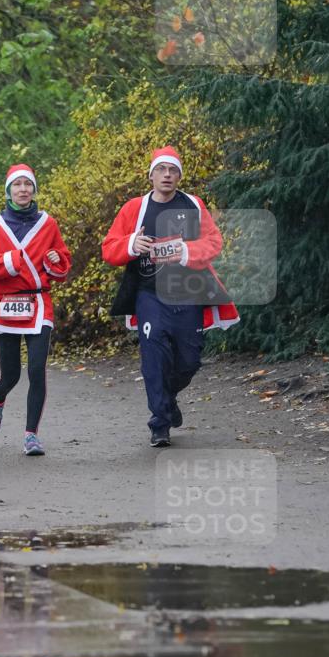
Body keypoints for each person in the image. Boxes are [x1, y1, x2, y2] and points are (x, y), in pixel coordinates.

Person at [102, 146, 239, 447]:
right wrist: (130, 244)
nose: (167, 175)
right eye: (161, 170)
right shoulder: (133, 209)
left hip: (188, 292)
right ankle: (159, 423)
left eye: (173, 170)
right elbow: (109, 248)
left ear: (179, 175)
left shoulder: (192, 204)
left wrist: (186, 251)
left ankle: (168, 397)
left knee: (189, 360)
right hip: (148, 294)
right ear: (151, 175)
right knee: (154, 356)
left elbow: (214, 242)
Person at [0, 163, 72, 457]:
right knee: (11, 375)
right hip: (5, 305)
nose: (23, 189)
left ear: (34, 190)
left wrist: (55, 260)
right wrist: (9, 262)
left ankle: (31, 435)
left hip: (38, 304)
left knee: (37, 370)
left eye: (28, 184)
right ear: (8, 190)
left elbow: (63, 263)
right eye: (18, 184)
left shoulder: (47, 224)